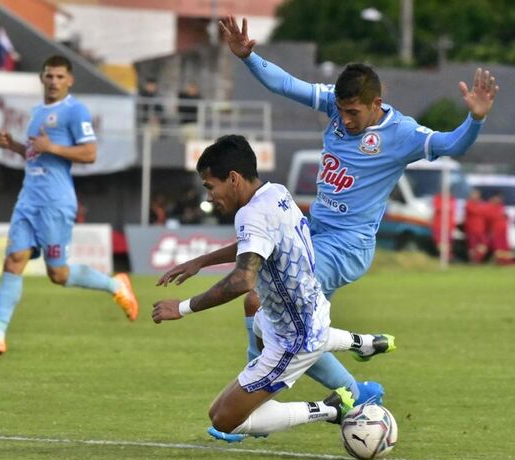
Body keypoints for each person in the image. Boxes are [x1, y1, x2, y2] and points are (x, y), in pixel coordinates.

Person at [172, 16, 498, 410]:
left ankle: (258, 398)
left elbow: (452, 145)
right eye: (340, 111)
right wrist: (249, 57)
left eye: (353, 113)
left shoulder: (403, 135)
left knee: (264, 303)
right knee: (285, 324)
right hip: (314, 234)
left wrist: (475, 118)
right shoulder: (335, 104)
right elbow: (286, 85)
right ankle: (357, 393)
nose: (343, 119)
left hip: (347, 246)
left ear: (376, 104)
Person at [153, 135, 395, 442]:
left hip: (294, 338)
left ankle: (332, 409)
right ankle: (363, 343)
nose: (210, 196)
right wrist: (201, 261)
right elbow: (254, 245)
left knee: (225, 419)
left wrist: (183, 307)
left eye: (210, 186)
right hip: (308, 311)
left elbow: (242, 280)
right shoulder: (275, 193)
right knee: (255, 311)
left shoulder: (251, 214)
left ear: (233, 179)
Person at [0, 55, 139, 356]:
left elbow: (90, 154)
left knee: (58, 274)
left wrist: (51, 146)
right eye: (50, 76)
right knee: (13, 260)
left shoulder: (74, 111)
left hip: (56, 202)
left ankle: (116, 286)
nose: (54, 81)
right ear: (42, 79)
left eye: (60, 77)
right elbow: (37, 154)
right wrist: (16, 146)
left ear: (69, 80)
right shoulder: (37, 113)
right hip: (29, 199)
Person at [486, 192, 514, 266]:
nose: (499, 200)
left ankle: (506, 260)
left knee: (504, 246)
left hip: (503, 230)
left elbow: (506, 217)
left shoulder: (501, 207)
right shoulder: (490, 207)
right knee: (498, 246)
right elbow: (490, 218)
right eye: (497, 198)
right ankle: (500, 260)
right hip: (496, 230)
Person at [464, 189, 489, 263]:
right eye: (473, 194)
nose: (474, 196)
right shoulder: (468, 204)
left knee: (483, 245)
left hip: (481, 229)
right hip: (471, 229)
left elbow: (486, 213)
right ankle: (473, 260)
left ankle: (477, 259)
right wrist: (482, 208)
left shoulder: (482, 204)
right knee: (472, 246)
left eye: (476, 194)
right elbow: (475, 211)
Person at [431, 191, 457, 259]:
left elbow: (451, 209)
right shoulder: (437, 199)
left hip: (449, 226)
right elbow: (438, 208)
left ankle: (448, 257)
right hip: (438, 225)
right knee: (439, 242)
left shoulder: (452, 200)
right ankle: (444, 256)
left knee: (448, 243)